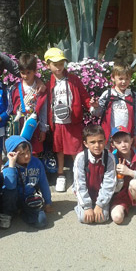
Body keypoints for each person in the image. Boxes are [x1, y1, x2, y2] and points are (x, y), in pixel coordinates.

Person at [44, 47, 99, 192]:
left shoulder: (73, 80)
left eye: (61, 63)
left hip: (72, 121)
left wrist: (90, 105)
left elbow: (84, 96)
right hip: (57, 122)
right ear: (47, 65)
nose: (59, 67)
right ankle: (60, 175)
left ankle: (78, 176)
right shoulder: (47, 82)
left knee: (76, 150)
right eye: (55, 64)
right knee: (59, 149)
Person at [0, 135, 53, 230]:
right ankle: (7, 214)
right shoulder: (8, 167)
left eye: (28, 151)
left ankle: (22, 212)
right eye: (22, 154)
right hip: (12, 200)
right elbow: (10, 186)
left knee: (41, 221)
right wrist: (12, 164)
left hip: (29, 198)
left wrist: (48, 202)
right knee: (10, 191)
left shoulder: (36, 163)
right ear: (13, 154)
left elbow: (44, 182)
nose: (27, 156)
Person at [110, 125, 136, 225]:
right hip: (119, 195)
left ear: (131, 141)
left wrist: (130, 172)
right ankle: (125, 206)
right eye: (118, 142)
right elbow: (112, 187)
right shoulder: (111, 158)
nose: (123, 145)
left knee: (135, 183)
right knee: (117, 218)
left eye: (126, 141)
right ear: (112, 145)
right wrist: (120, 178)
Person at [73, 124, 116, 224]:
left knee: (102, 218)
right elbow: (79, 184)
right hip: (86, 193)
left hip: (100, 194)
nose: (97, 145)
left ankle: (100, 205)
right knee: (85, 218)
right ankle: (80, 206)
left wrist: (100, 205)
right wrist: (87, 207)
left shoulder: (109, 158)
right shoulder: (80, 158)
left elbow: (109, 183)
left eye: (100, 141)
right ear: (86, 144)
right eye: (92, 142)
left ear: (105, 141)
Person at [91, 63, 136, 146]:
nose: (124, 82)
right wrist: (96, 106)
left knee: (125, 158)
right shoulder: (107, 94)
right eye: (120, 78)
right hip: (108, 137)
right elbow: (98, 113)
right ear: (113, 78)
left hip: (127, 137)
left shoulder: (133, 96)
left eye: (127, 79)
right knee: (109, 157)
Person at [10, 53, 48, 155]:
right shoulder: (15, 88)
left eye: (28, 72)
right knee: (19, 151)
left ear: (35, 71)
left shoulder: (41, 88)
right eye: (22, 73)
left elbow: (44, 109)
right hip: (19, 125)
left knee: (34, 152)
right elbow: (11, 107)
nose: (25, 76)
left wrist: (43, 129)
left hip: (34, 126)